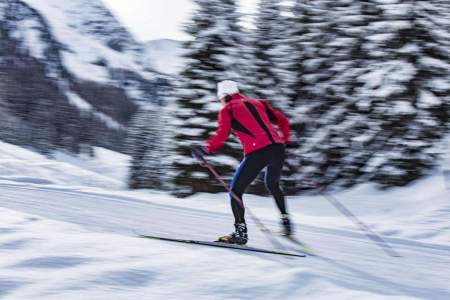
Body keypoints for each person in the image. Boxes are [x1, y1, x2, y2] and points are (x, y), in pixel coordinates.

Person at [192, 80, 293, 245]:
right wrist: (286, 140)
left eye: (220, 99)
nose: (221, 103)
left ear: (224, 96)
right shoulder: (258, 103)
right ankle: (286, 222)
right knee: (272, 184)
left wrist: (205, 149)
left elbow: (222, 134)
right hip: (278, 150)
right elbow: (283, 121)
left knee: (235, 191)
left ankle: (240, 233)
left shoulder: (228, 109)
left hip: (258, 152)